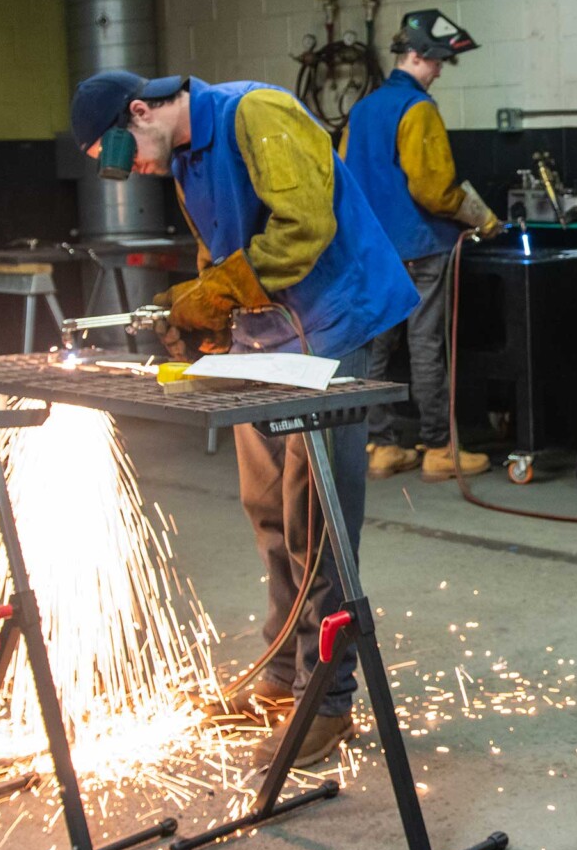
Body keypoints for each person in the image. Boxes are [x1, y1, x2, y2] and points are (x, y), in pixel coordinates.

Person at [70, 68, 417, 767]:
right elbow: (219, 254)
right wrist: (208, 321)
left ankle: (328, 701)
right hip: (264, 339)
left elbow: (303, 229)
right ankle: (284, 674)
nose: (133, 170)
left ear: (140, 110)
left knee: (315, 519)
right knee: (267, 510)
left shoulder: (258, 113)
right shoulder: (184, 159)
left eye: (123, 152)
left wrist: (210, 295)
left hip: (331, 327)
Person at [341, 9, 503, 480]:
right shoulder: (418, 110)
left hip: (373, 251)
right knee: (426, 346)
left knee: (374, 349)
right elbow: (433, 190)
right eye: (436, 62)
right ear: (414, 56)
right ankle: (438, 448)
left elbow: (344, 179)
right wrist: (483, 218)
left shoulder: (362, 111)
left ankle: (381, 445)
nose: (438, 72)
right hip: (420, 248)